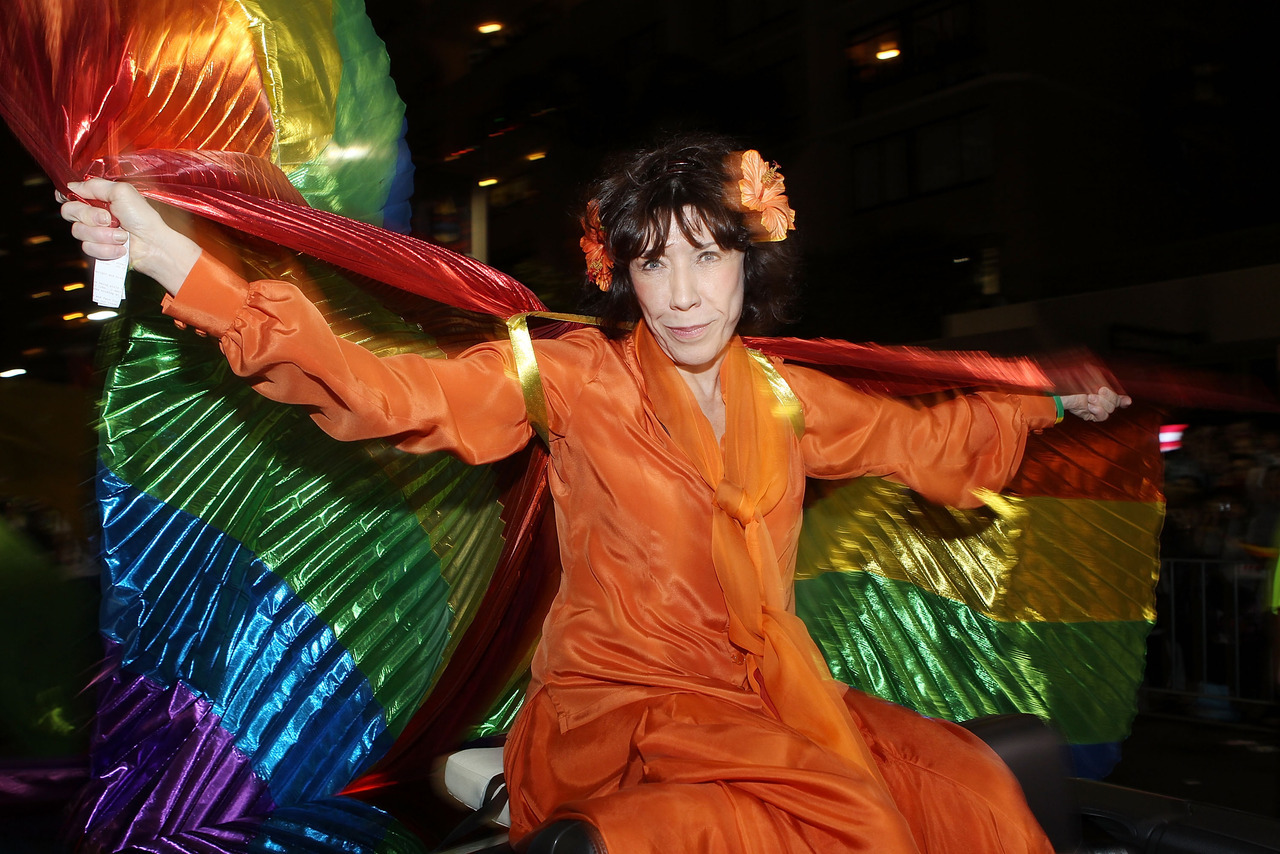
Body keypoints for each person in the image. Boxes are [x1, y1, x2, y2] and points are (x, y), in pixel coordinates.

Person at [60, 134, 1128, 854]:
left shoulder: (790, 397)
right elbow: (390, 389)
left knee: (966, 787)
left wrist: (1045, 405)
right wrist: (171, 258)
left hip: (770, 695)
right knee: (842, 814)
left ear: (750, 266)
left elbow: (928, 437)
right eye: (651, 262)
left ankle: (519, 784)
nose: (679, 293)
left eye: (706, 258)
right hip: (628, 698)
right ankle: (566, 809)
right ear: (619, 272)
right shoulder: (570, 376)